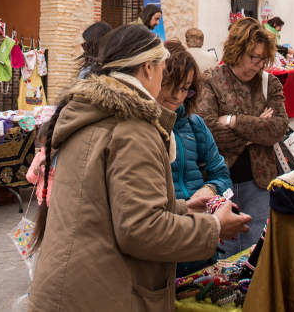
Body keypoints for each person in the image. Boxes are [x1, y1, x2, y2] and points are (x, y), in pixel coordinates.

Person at [29, 25, 250, 312]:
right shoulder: (132, 128)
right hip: (100, 294)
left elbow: (105, 209)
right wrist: (215, 227)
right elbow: (141, 230)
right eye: (163, 69)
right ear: (148, 68)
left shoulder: (89, 114)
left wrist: (182, 209)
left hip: (68, 289)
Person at [197, 18, 289, 256]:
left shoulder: (270, 83)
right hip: (219, 178)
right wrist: (257, 127)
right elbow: (208, 133)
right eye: (252, 57)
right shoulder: (210, 80)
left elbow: (278, 128)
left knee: (257, 252)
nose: (257, 65)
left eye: (262, 58)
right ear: (236, 51)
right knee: (222, 253)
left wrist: (234, 121)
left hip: (260, 180)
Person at [157, 41, 233, 277]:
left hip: (200, 240)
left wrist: (210, 189)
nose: (177, 96)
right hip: (162, 241)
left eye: (186, 88)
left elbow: (221, 174)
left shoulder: (194, 124)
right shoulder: (140, 130)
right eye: (172, 86)